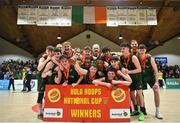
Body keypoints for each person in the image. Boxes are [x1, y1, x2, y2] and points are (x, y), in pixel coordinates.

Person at [120, 43, 145, 121]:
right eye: (121, 49)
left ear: (128, 49)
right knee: (131, 94)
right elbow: (122, 66)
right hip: (129, 79)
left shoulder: (133, 57)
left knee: (139, 94)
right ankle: (135, 110)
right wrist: (123, 69)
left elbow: (139, 69)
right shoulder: (121, 57)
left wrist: (129, 72)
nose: (122, 50)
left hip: (137, 78)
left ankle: (142, 113)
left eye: (123, 49)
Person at [138, 44, 163, 119]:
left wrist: (156, 82)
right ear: (138, 50)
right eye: (140, 49)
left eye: (143, 49)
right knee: (140, 93)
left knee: (156, 91)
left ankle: (157, 111)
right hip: (141, 77)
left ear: (146, 50)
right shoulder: (136, 58)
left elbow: (155, 70)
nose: (142, 51)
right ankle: (142, 110)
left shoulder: (149, 58)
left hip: (150, 77)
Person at [36, 45, 54, 119]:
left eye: (51, 51)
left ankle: (46, 108)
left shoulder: (54, 58)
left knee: (48, 95)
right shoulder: (42, 59)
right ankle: (39, 111)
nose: (49, 53)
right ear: (46, 52)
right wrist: (47, 60)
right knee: (40, 95)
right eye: (48, 51)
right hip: (41, 78)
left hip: (49, 78)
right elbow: (39, 68)